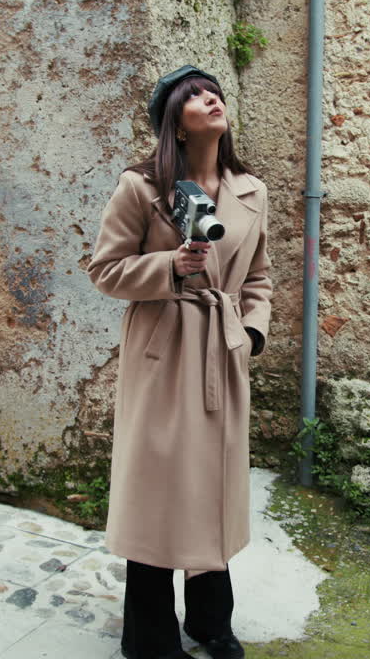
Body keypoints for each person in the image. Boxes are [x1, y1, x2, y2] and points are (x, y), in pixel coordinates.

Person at [87, 65, 272, 659]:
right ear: (175, 121)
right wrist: (170, 267)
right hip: (162, 350)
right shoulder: (140, 187)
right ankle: (150, 638)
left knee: (212, 487)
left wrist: (251, 334)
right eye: (192, 95)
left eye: (212, 90)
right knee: (157, 492)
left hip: (222, 350)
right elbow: (106, 270)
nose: (208, 97)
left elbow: (260, 278)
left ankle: (211, 622)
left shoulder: (251, 190)